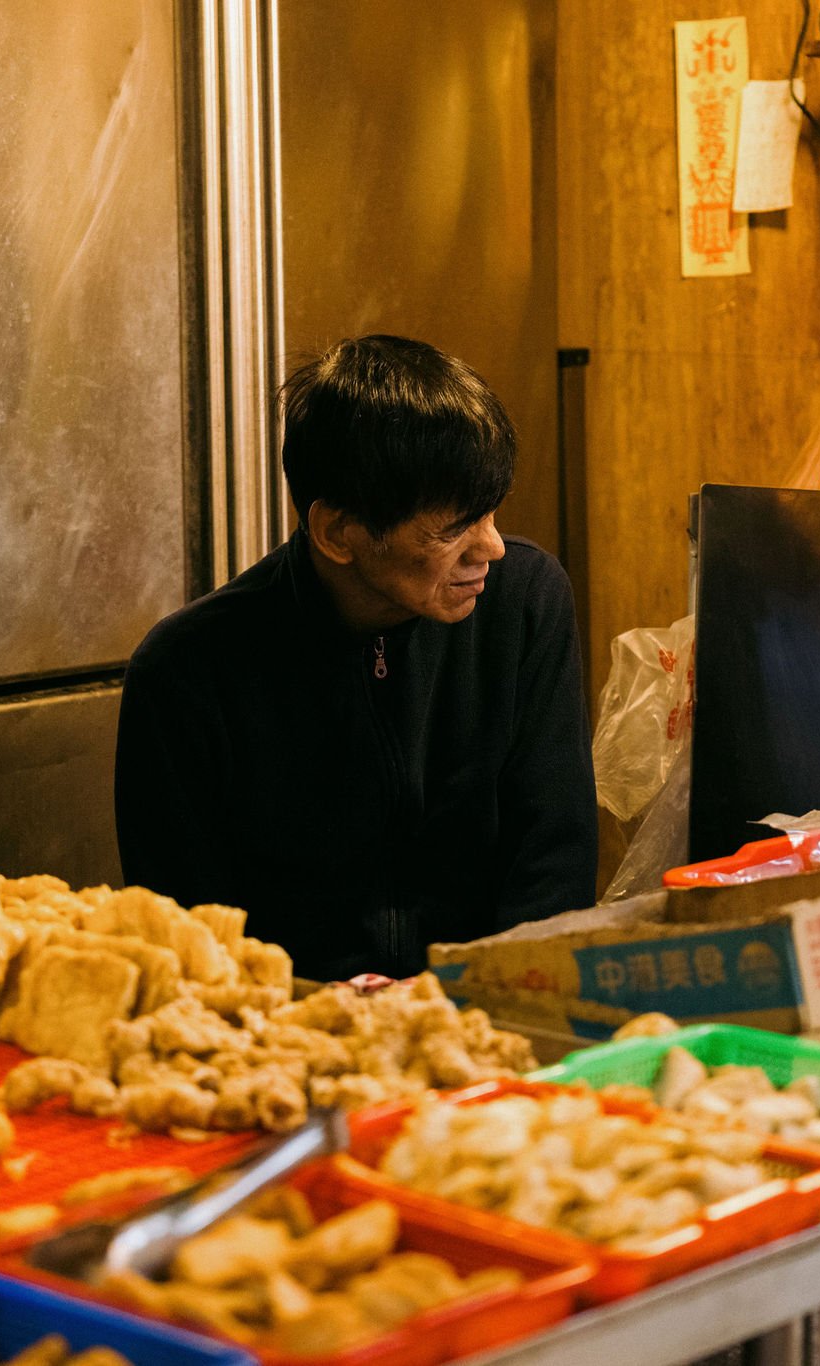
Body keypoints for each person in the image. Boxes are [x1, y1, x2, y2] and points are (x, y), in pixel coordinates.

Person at [115, 335, 597, 980]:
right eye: (452, 527)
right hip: (292, 1038)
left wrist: (502, 1009)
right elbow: (189, 936)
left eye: (490, 513)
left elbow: (553, 856)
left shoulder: (525, 603)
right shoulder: (187, 670)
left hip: (492, 1012)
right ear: (339, 533)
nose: (491, 548)